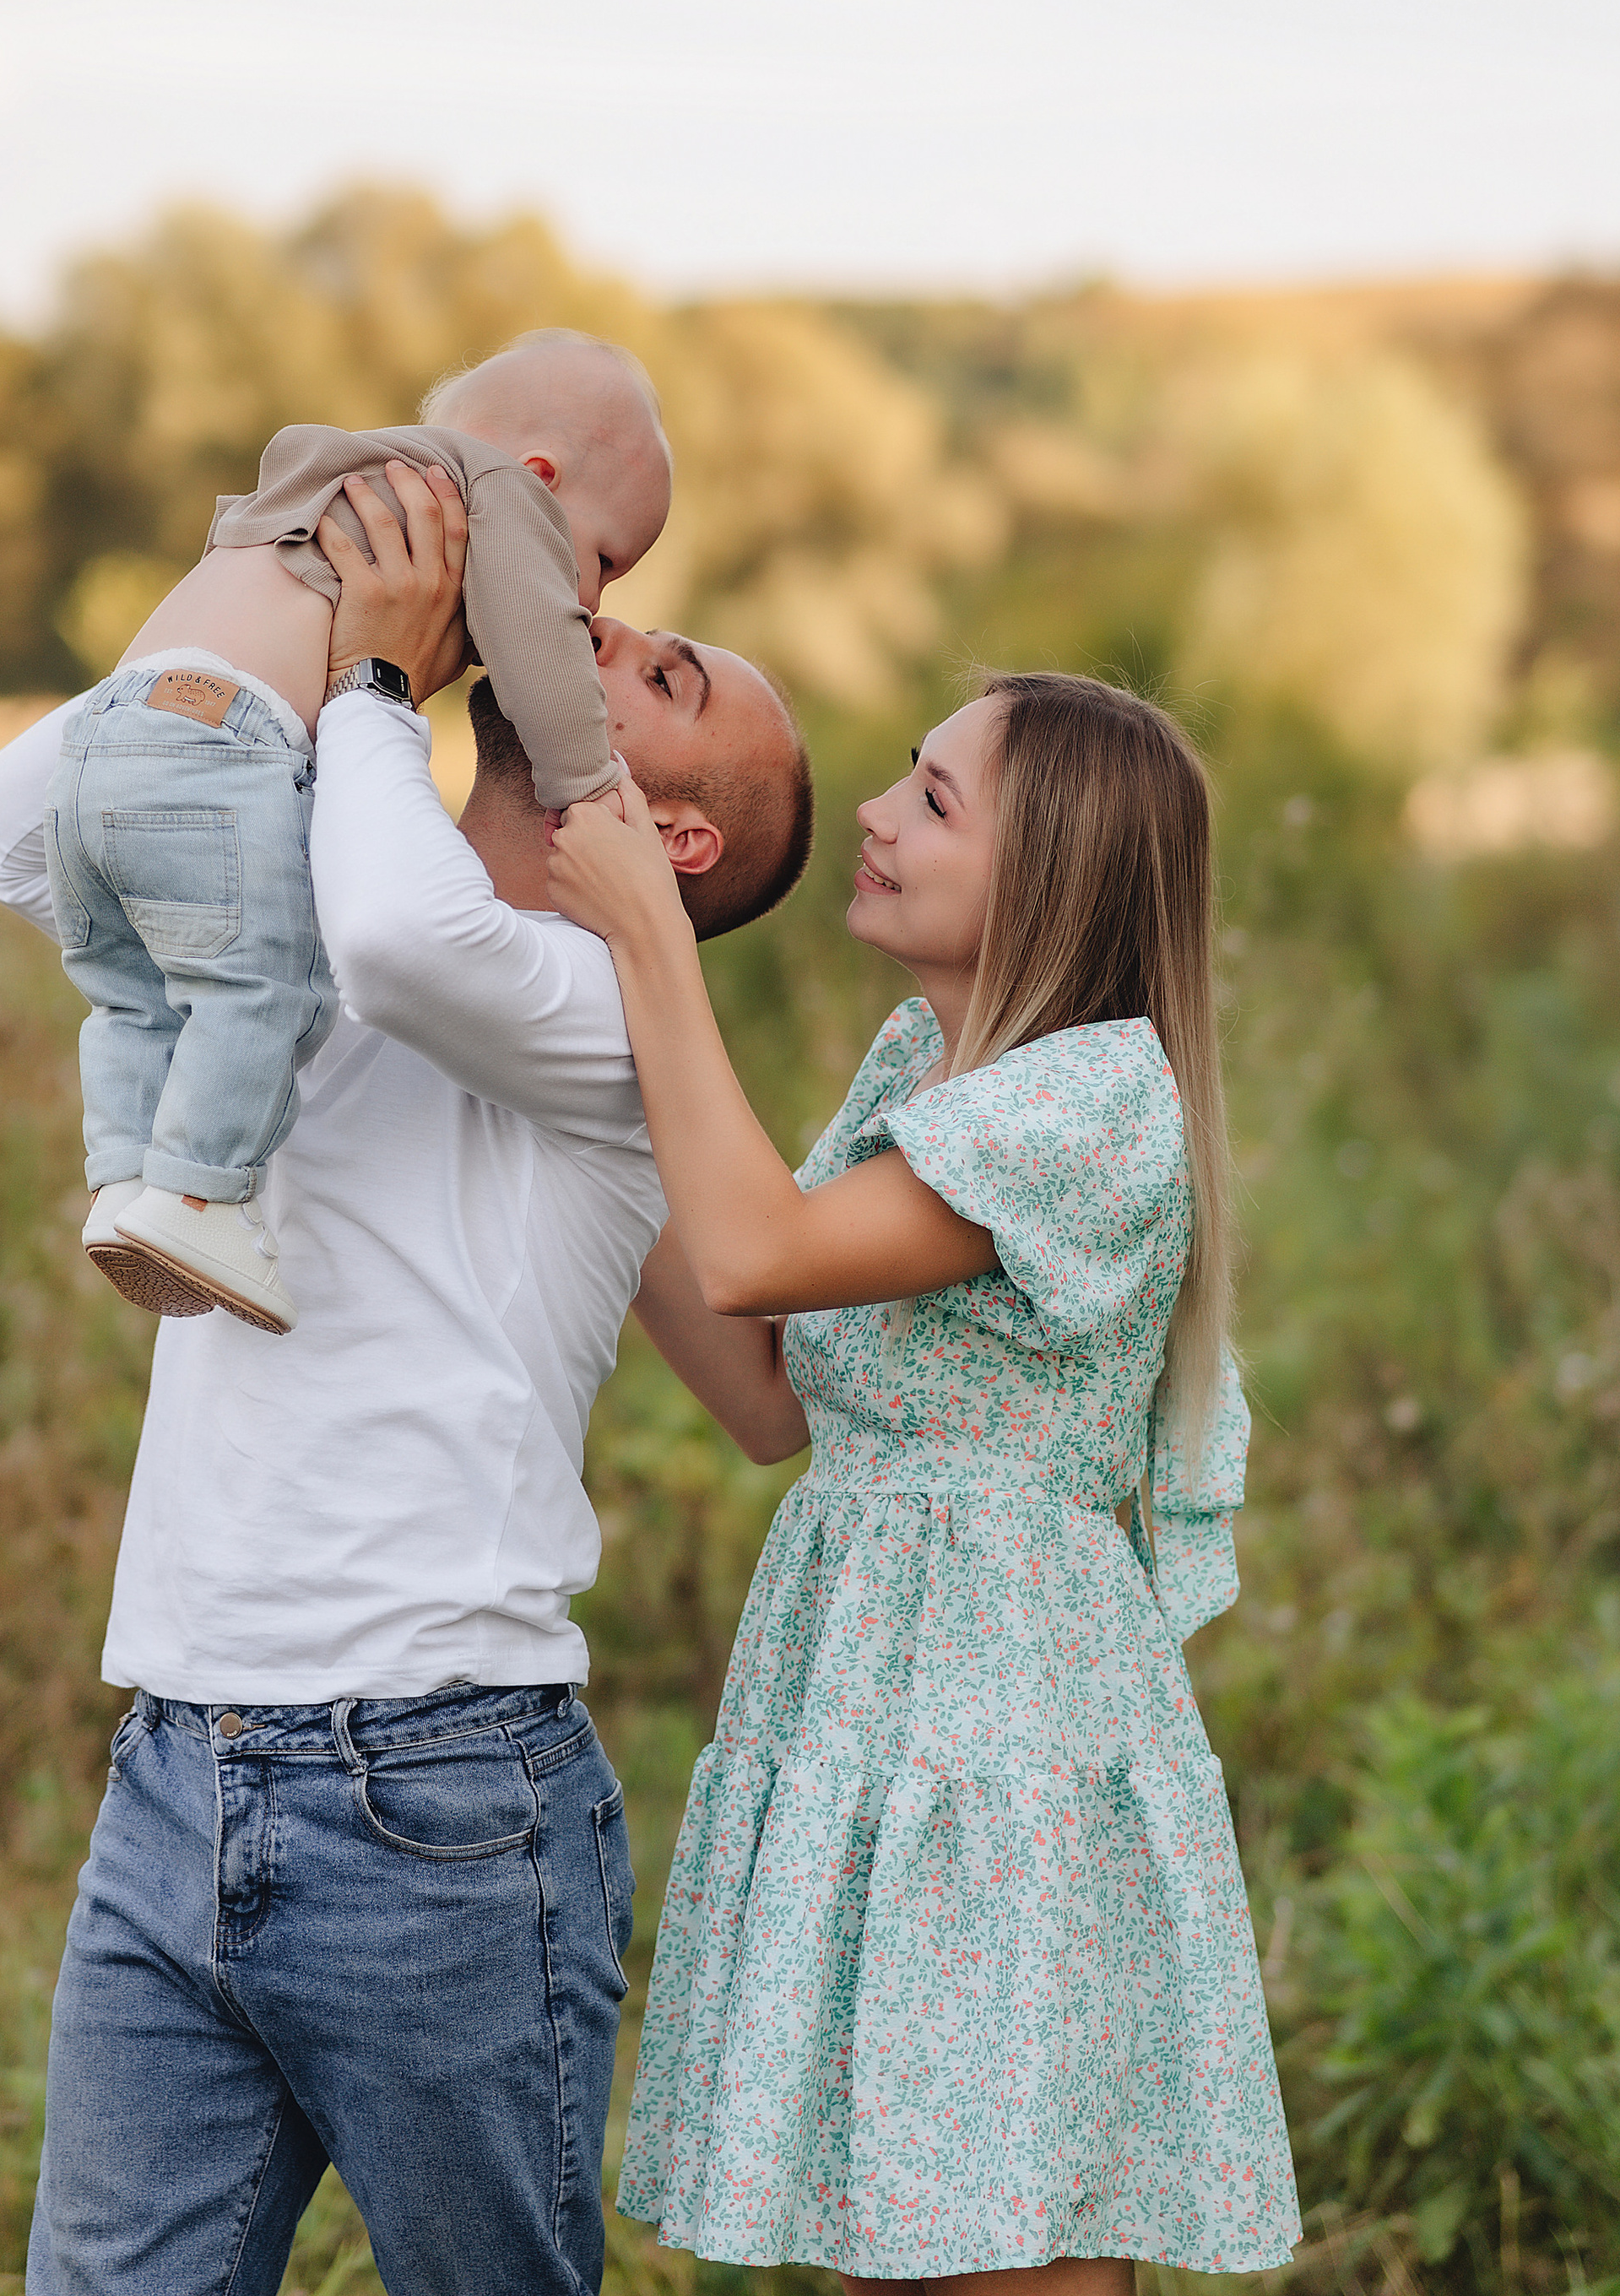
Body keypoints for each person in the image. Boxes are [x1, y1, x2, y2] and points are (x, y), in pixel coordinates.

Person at [0, 468, 814, 2296]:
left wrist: (371, 679)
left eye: (670, 677)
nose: (619, 627)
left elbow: (424, 948)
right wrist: (306, 531)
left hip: (438, 1803)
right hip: (179, 1758)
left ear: (671, 839)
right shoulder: (314, 899)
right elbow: (15, 823)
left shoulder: (601, 1017)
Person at [545, 672, 1302, 2293]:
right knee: (901, 2221)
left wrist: (650, 946)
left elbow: (757, 1248)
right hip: (875, 1702)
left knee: (992, 2241)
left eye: (936, 800)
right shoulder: (926, 1070)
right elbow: (766, 1391)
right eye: (907, 774)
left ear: (1057, 881)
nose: (876, 815)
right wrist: (587, 1095)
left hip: (993, 1729)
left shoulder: (1096, 1100)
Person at [46, 330, 672, 1333]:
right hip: (221, 748)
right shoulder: (494, 491)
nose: (593, 600)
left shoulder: (318, 482)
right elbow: (543, 662)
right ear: (540, 478)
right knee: (262, 988)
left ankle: (124, 1183)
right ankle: (200, 1198)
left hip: (93, 746)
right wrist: (589, 784)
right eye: (602, 558)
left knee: (133, 995)